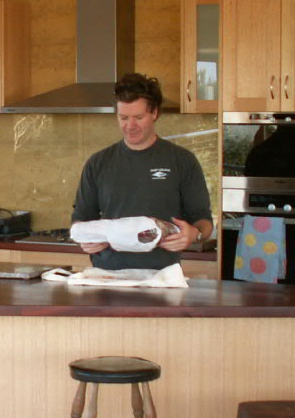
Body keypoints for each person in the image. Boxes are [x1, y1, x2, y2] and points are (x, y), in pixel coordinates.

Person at [71, 72, 214, 270]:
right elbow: (81, 219)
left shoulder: (182, 160)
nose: (130, 126)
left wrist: (194, 234)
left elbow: (204, 222)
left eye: (138, 117)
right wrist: (86, 239)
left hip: (163, 276)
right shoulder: (98, 163)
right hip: (107, 276)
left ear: (154, 113)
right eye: (123, 118)